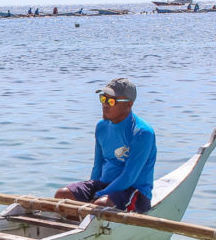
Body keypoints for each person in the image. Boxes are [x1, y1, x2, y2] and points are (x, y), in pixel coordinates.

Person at [54, 78, 156, 214]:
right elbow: (98, 166)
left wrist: (99, 195)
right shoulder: (101, 127)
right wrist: (91, 194)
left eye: (112, 101)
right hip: (104, 185)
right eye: (103, 99)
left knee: (101, 205)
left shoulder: (142, 133)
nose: (105, 105)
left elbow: (128, 177)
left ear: (129, 104)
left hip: (133, 190)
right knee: (62, 195)